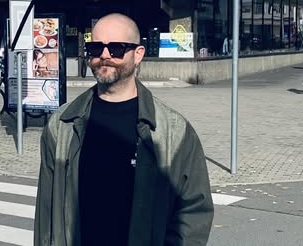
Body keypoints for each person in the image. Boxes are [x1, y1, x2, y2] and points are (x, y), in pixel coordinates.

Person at [34, 13, 214, 246]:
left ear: (138, 54)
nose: (104, 55)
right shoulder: (62, 125)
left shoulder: (173, 131)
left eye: (116, 48)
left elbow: (194, 210)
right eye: (96, 48)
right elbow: (46, 211)